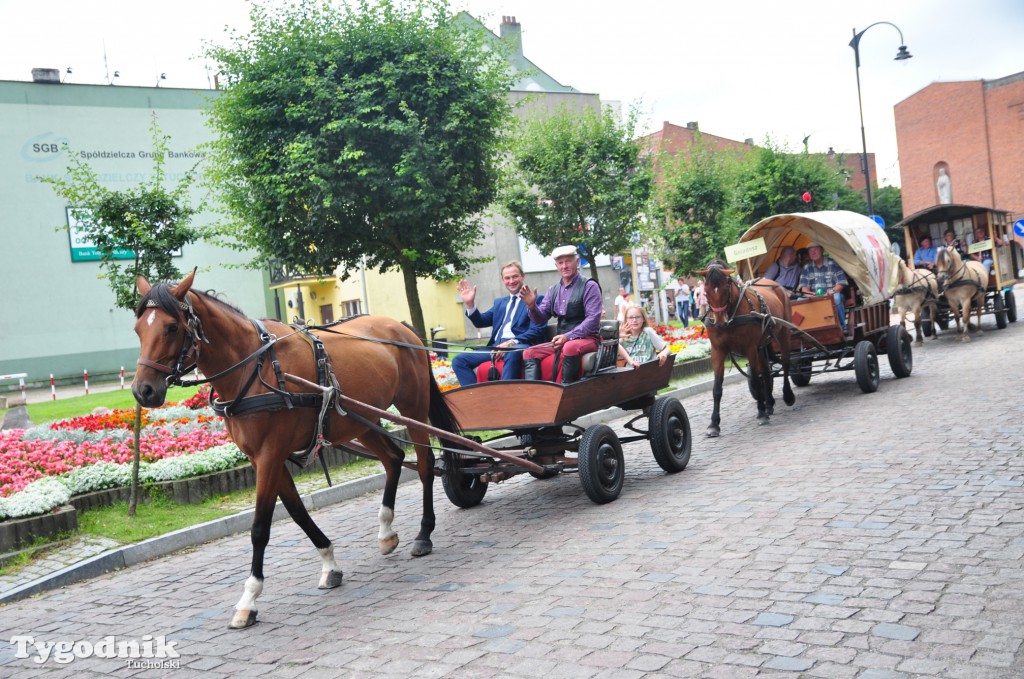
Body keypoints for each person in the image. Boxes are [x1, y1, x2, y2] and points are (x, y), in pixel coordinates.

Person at [452, 261, 547, 386]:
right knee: (458, 360)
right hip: (495, 347)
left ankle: (504, 396)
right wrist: (470, 304)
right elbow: (481, 321)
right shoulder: (500, 303)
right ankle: (475, 399)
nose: (511, 281)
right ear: (503, 280)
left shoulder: (536, 299)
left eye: (515, 276)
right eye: (507, 278)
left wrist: (511, 342)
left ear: (523, 276)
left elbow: (537, 330)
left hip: (519, 345)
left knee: (511, 352)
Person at [520, 245, 603, 384]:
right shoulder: (553, 290)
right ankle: (534, 392)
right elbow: (540, 319)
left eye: (568, 261)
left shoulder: (589, 286)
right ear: (556, 266)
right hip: (562, 340)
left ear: (577, 262)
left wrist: (567, 337)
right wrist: (531, 306)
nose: (564, 266)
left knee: (569, 347)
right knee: (529, 352)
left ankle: (565, 391)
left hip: (588, 338)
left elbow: (593, 320)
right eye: (560, 263)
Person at [799, 242, 849, 332]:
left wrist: (832, 291)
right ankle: (804, 330)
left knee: (836, 298)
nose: (813, 253)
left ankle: (843, 327)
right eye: (810, 251)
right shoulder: (807, 268)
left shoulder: (833, 264)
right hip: (815, 297)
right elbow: (804, 287)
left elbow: (841, 283)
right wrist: (808, 294)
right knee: (799, 301)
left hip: (831, 294)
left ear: (822, 250)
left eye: (815, 250)